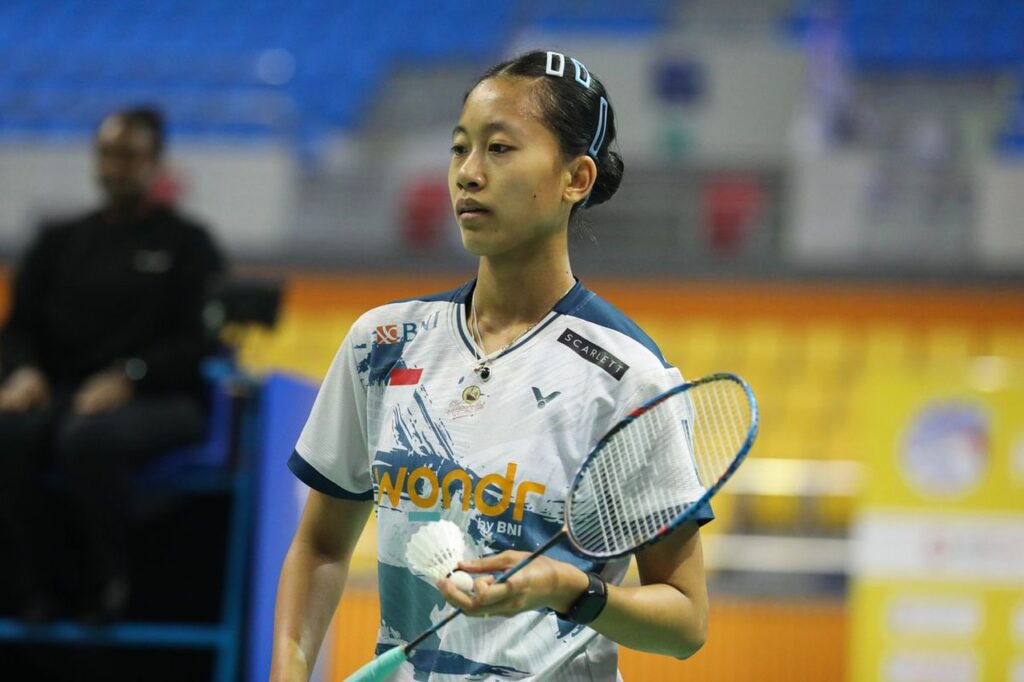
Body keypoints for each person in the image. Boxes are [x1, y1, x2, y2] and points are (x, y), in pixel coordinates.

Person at [272, 51, 711, 681]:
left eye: (499, 149)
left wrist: (569, 588)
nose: (468, 174)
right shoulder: (384, 343)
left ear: (576, 178)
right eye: (459, 149)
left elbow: (686, 622)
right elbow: (319, 547)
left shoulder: (628, 378)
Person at [0, 107, 225, 623]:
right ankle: (35, 587)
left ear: (156, 163)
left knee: (86, 438)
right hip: (65, 394)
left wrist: (131, 375)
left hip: (162, 398)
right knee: (8, 433)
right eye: (106, 154)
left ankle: (110, 584)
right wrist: (24, 371)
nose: (114, 167)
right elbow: (18, 329)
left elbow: (199, 341)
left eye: (128, 156)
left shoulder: (189, 245)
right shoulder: (58, 242)